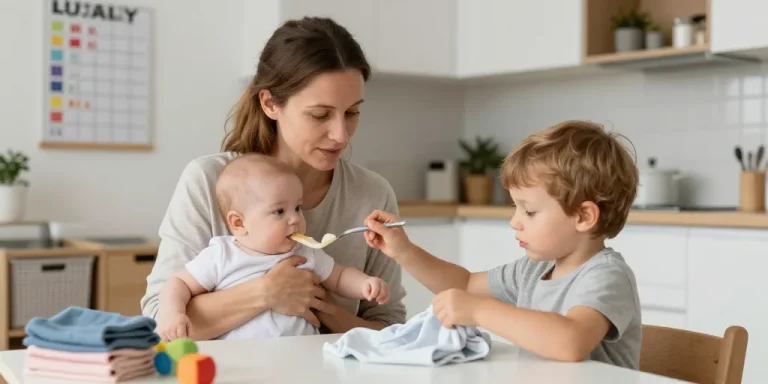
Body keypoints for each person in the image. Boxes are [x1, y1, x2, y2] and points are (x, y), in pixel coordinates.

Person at [141, 16, 407, 340]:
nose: (341, 135)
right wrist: (266, 293)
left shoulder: (372, 194)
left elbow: (390, 330)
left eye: (352, 112)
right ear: (269, 104)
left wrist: (324, 308)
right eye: (320, 115)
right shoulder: (208, 182)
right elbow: (159, 320)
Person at [363, 120, 643, 369]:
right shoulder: (533, 270)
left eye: (529, 211)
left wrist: (479, 311)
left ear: (583, 216)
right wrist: (404, 251)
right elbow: (465, 283)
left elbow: (570, 341)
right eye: (515, 208)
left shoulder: (606, 276)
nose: (514, 221)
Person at [156, 154, 390, 341]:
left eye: (298, 208)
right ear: (239, 222)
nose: (295, 219)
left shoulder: (304, 253)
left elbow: (339, 277)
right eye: (279, 211)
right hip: (240, 363)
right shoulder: (222, 255)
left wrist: (364, 285)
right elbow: (178, 283)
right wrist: (172, 314)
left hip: (301, 360)